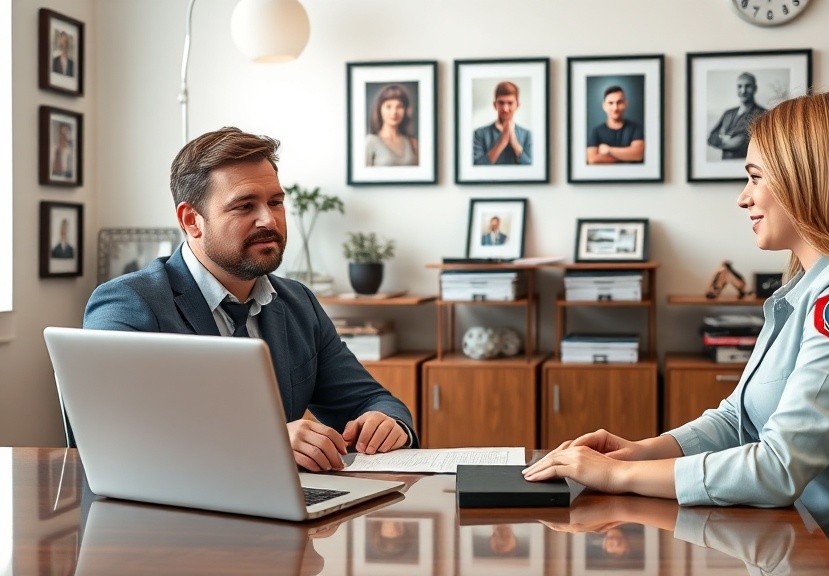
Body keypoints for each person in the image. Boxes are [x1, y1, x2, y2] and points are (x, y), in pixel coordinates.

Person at [523, 91, 829, 564]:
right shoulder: (810, 285)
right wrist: (637, 454)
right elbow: (738, 420)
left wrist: (615, 478)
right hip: (783, 543)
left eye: (755, 178)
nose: (743, 197)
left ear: (806, 180)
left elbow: (777, 467)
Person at [84, 127, 418, 471]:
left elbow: (370, 399)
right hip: (169, 516)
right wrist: (266, 442)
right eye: (245, 206)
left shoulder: (298, 302)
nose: (268, 219)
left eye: (275, 202)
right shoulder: (129, 304)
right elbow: (116, 433)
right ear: (191, 220)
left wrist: (385, 423)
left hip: (287, 508)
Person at [707, 72, 766, 160]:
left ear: (755, 88)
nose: (743, 91)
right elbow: (711, 137)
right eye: (739, 86)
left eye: (748, 86)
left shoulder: (762, 114)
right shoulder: (728, 113)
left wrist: (722, 138)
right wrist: (728, 141)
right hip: (725, 166)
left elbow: (742, 142)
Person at [472, 81, 532, 165]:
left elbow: (532, 168)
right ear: (494, 104)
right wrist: (502, 141)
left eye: (510, 103)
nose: (505, 109)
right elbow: (476, 167)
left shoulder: (527, 135)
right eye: (501, 103)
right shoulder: (479, 134)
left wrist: (514, 143)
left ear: (517, 105)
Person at [586, 85, 644, 164]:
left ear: (625, 104)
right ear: (604, 106)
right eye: (610, 103)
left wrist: (609, 150)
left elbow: (638, 155)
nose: (615, 108)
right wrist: (627, 155)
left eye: (619, 102)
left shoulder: (636, 128)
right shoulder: (596, 131)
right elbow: (592, 159)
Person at [365, 84, 419, 166]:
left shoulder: (413, 143)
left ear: (406, 110)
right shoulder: (370, 142)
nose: (394, 112)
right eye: (388, 106)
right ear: (379, 109)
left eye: (399, 106)